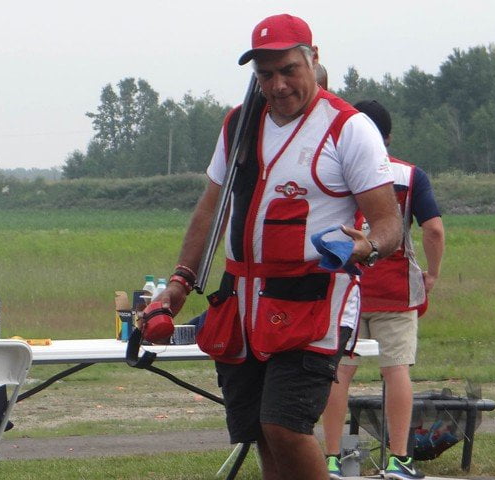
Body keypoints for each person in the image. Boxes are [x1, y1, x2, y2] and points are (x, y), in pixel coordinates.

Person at [157, 14, 403, 480]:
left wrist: (366, 246)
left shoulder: (348, 128)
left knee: (285, 426)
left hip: (312, 303)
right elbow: (210, 209)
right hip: (243, 306)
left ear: (314, 59)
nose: (278, 84)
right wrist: (180, 281)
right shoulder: (238, 125)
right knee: (261, 433)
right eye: (265, 74)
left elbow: (391, 224)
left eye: (289, 69)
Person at [321, 100, 445, 480]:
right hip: (396, 291)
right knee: (396, 370)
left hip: (347, 289)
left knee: (339, 372)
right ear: (387, 137)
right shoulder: (410, 175)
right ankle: (398, 459)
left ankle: (331, 460)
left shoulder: (334, 172)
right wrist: (433, 274)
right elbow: (434, 229)